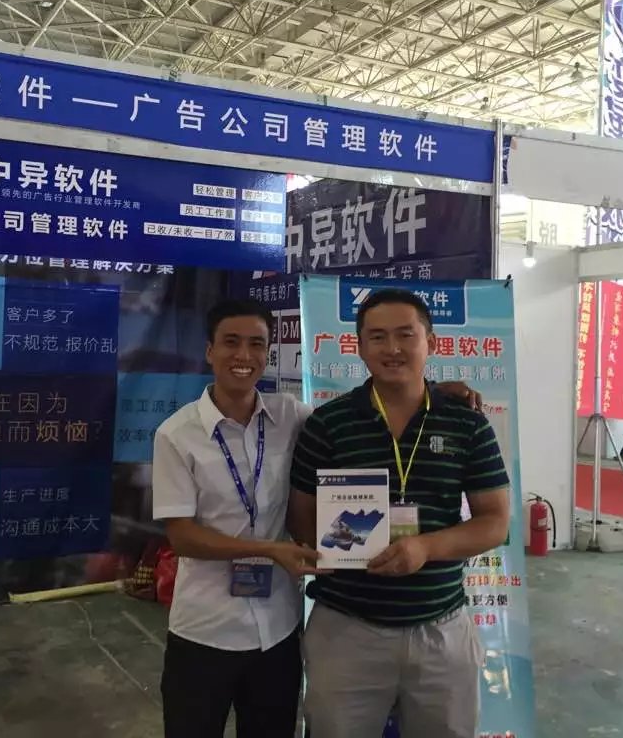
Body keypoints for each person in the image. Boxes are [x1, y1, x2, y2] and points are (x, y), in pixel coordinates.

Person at [152, 298, 485, 738]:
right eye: (231, 343)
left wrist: (435, 392)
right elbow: (181, 536)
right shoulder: (176, 434)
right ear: (209, 351)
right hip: (205, 627)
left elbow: (385, 399)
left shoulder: (291, 416)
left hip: (277, 628)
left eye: (257, 344)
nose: (243, 355)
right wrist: (269, 550)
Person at [287, 288, 511, 738]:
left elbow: (494, 522)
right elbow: (301, 520)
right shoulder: (327, 424)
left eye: (406, 335)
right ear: (359, 347)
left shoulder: (467, 423)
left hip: (441, 631)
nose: (392, 348)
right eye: (377, 337)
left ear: (431, 342)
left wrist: (425, 547)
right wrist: (347, 541)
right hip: (346, 630)